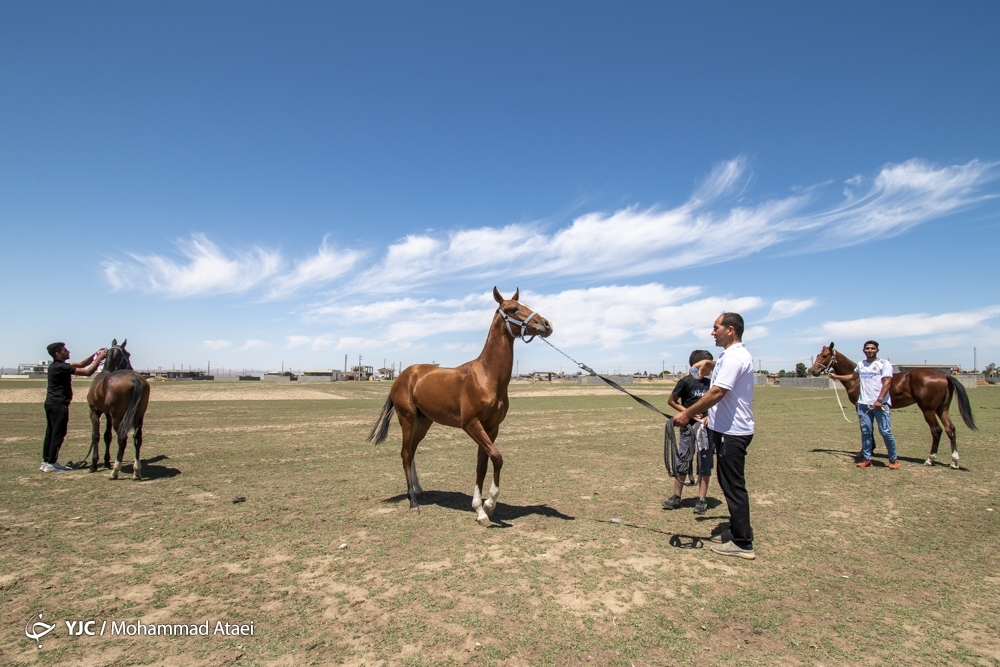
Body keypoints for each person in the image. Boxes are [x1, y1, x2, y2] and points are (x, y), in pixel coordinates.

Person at [675, 313, 756, 560]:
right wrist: (709, 365)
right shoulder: (729, 357)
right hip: (726, 430)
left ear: (730, 330)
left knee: (733, 486)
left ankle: (743, 542)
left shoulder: (734, 357)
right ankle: (737, 529)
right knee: (728, 482)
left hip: (733, 432)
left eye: (716, 327)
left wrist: (688, 413)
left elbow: (718, 391)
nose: (712, 332)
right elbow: (720, 375)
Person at [830, 340, 898, 469]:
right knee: (866, 432)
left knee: (885, 431)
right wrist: (835, 376)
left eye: (872, 348)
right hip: (863, 404)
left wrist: (880, 399)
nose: (870, 350)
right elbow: (852, 377)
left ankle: (893, 459)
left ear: (877, 350)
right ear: (863, 350)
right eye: (867, 348)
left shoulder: (884, 364)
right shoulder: (861, 364)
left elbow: (887, 382)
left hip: (879, 404)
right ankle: (867, 458)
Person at [663, 350, 714, 514]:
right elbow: (672, 401)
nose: (711, 369)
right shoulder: (685, 382)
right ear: (700, 366)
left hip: (707, 429)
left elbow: (717, 404)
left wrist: (708, 417)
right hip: (688, 428)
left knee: (705, 462)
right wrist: (688, 413)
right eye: (709, 365)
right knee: (683, 459)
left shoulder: (711, 384)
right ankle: (676, 497)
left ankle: (702, 500)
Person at [41, 342, 105, 472]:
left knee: (51, 432)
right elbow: (87, 372)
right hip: (59, 404)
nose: (68, 351)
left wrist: (95, 354)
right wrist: (100, 358)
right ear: (57, 353)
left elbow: (82, 364)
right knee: (58, 433)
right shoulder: (61, 367)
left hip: (52, 404)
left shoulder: (56, 366)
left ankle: (47, 461)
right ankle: (51, 463)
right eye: (65, 350)